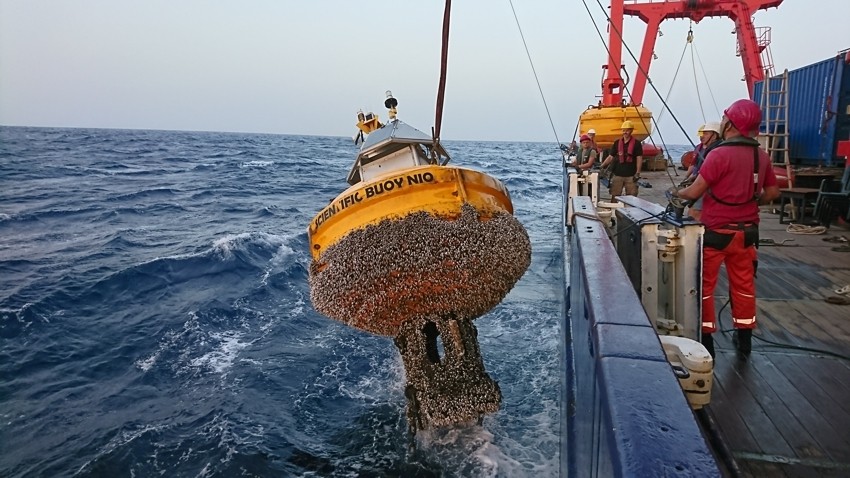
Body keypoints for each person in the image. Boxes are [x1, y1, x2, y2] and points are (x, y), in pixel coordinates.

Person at [674, 99, 780, 358]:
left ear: (730, 123)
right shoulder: (761, 156)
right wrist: (753, 201)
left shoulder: (718, 154)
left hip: (716, 233)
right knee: (744, 286)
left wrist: (676, 193)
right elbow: (773, 192)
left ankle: (706, 340)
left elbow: (695, 190)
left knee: (706, 287)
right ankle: (744, 341)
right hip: (746, 234)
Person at [684, 121, 723, 220]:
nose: (703, 136)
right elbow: (695, 164)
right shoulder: (707, 148)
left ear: (714, 136)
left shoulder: (716, 150)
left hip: (707, 187)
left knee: (694, 213)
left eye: (706, 134)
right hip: (703, 184)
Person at [600, 121, 643, 199]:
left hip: (631, 175)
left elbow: (639, 158)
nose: (625, 132)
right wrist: (602, 166)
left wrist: (638, 173)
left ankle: (630, 211)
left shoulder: (637, 143)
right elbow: (610, 157)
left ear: (631, 130)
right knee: (615, 196)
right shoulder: (617, 143)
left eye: (627, 130)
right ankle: (614, 210)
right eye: (623, 130)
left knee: (632, 197)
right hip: (617, 175)